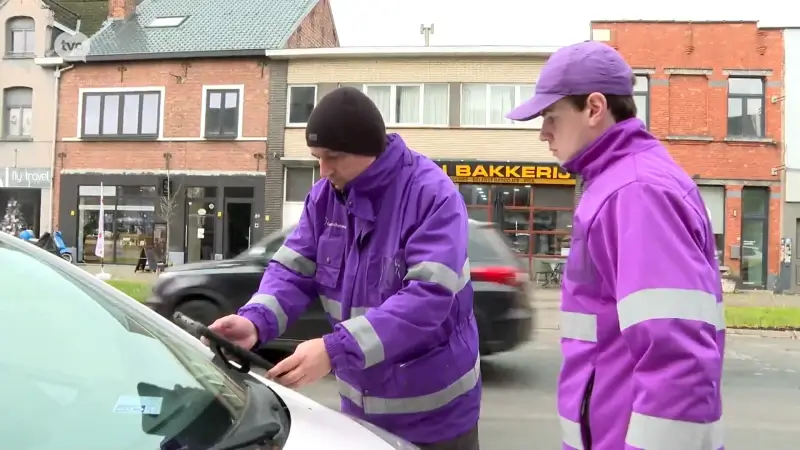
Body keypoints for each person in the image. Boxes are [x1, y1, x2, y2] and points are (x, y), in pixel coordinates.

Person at [208, 86, 481, 449]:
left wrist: (335, 350)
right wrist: (255, 320)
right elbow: (293, 270)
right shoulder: (325, 198)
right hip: (359, 412)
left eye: (333, 157)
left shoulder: (433, 195)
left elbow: (426, 299)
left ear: (368, 151)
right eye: (316, 157)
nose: (323, 171)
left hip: (437, 420)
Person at [506, 41, 724, 450]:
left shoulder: (634, 192)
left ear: (594, 108)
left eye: (551, 117)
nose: (543, 134)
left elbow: (678, 361)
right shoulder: (624, 183)